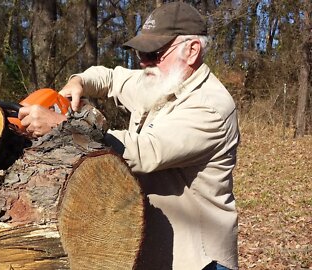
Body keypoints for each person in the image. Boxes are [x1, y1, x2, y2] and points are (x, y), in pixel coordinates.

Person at [18, 2, 239, 270]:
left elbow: (144, 151)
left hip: (197, 258)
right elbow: (109, 77)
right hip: (154, 247)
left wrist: (64, 127)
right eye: (140, 54)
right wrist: (77, 82)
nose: (144, 63)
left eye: (153, 53)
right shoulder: (160, 80)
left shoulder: (210, 106)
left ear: (192, 51)